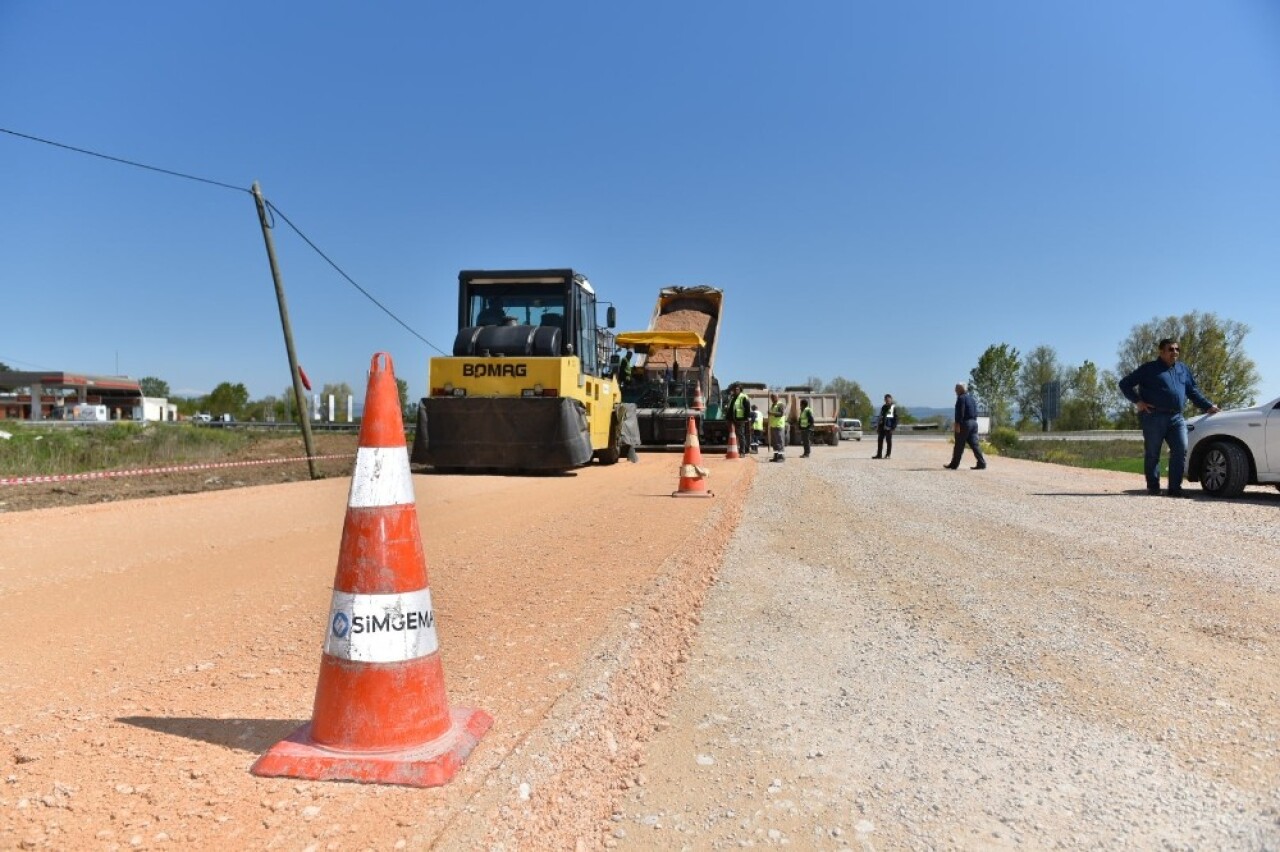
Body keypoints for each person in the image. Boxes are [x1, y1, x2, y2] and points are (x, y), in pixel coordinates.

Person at [1118, 338, 1219, 496]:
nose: (1175, 352)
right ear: (1161, 351)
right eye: (1171, 349)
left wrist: (1208, 406)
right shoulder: (1149, 369)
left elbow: (1192, 391)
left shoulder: (1183, 369)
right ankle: (1153, 487)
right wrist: (1138, 401)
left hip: (1177, 418)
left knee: (1181, 449)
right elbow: (1124, 384)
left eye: (1177, 349)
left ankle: (1174, 488)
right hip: (1154, 416)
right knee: (1153, 453)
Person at [945, 383, 987, 470]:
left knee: (959, 445)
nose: (955, 390)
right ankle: (981, 463)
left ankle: (954, 464)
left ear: (961, 389)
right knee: (975, 444)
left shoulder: (961, 398)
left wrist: (957, 424)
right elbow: (975, 412)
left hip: (964, 423)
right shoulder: (972, 398)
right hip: (974, 423)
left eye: (956, 388)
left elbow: (961, 412)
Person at [729, 384, 752, 455]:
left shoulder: (743, 397)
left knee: (741, 435)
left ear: (740, 390)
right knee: (737, 435)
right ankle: (742, 450)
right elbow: (731, 409)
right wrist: (729, 418)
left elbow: (747, 408)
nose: (735, 391)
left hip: (741, 419)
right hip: (734, 419)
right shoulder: (734, 397)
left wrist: (746, 418)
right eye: (734, 389)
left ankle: (742, 452)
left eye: (737, 389)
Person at [873, 393, 897, 459]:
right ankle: (879, 455)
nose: (887, 401)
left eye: (888, 399)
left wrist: (893, 427)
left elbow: (896, 418)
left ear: (891, 399)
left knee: (888, 441)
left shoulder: (892, 408)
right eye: (886, 399)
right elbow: (880, 416)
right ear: (884, 400)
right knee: (880, 441)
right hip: (882, 426)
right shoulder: (883, 407)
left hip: (889, 427)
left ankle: (888, 455)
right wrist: (878, 426)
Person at [768, 393, 787, 462]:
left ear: (778, 397)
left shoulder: (780, 404)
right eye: (772, 398)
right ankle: (776, 457)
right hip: (773, 426)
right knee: (775, 443)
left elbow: (781, 413)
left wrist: (771, 413)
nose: (772, 399)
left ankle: (781, 457)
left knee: (779, 442)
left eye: (774, 397)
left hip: (779, 426)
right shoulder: (773, 405)